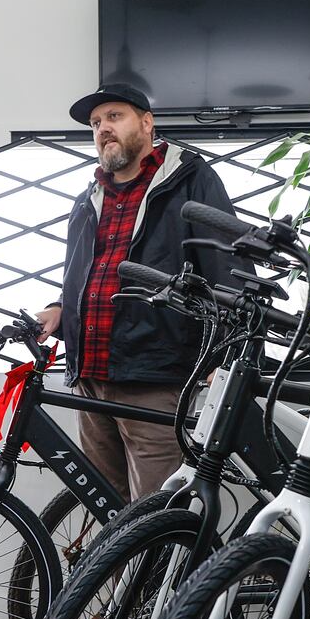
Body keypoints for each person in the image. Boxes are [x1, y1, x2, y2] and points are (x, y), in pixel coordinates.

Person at [37, 83, 245, 502]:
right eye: (96, 123)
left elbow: (228, 270)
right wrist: (60, 308)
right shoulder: (88, 198)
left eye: (114, 117)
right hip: (90, 378)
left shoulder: (191, 180)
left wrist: (224, 357)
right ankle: (115, 574)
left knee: (154, 516)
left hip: (155, 377)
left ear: (147, 123)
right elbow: (84, 274)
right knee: (107, 513)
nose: (102, 130)